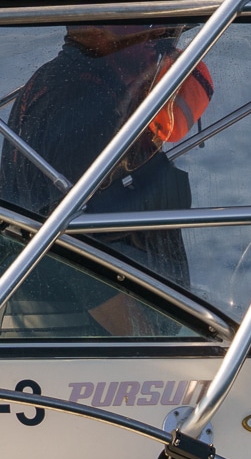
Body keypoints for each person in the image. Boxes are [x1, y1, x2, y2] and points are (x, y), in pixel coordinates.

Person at [0, 24, 210, 336]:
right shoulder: (82, 97)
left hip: (72, 339)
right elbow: (71, 241)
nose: (159, 41)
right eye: (142, 26)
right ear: (91, 29)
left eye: (164, 31)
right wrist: (145, 346)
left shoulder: (68, 82)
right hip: (85, 346)